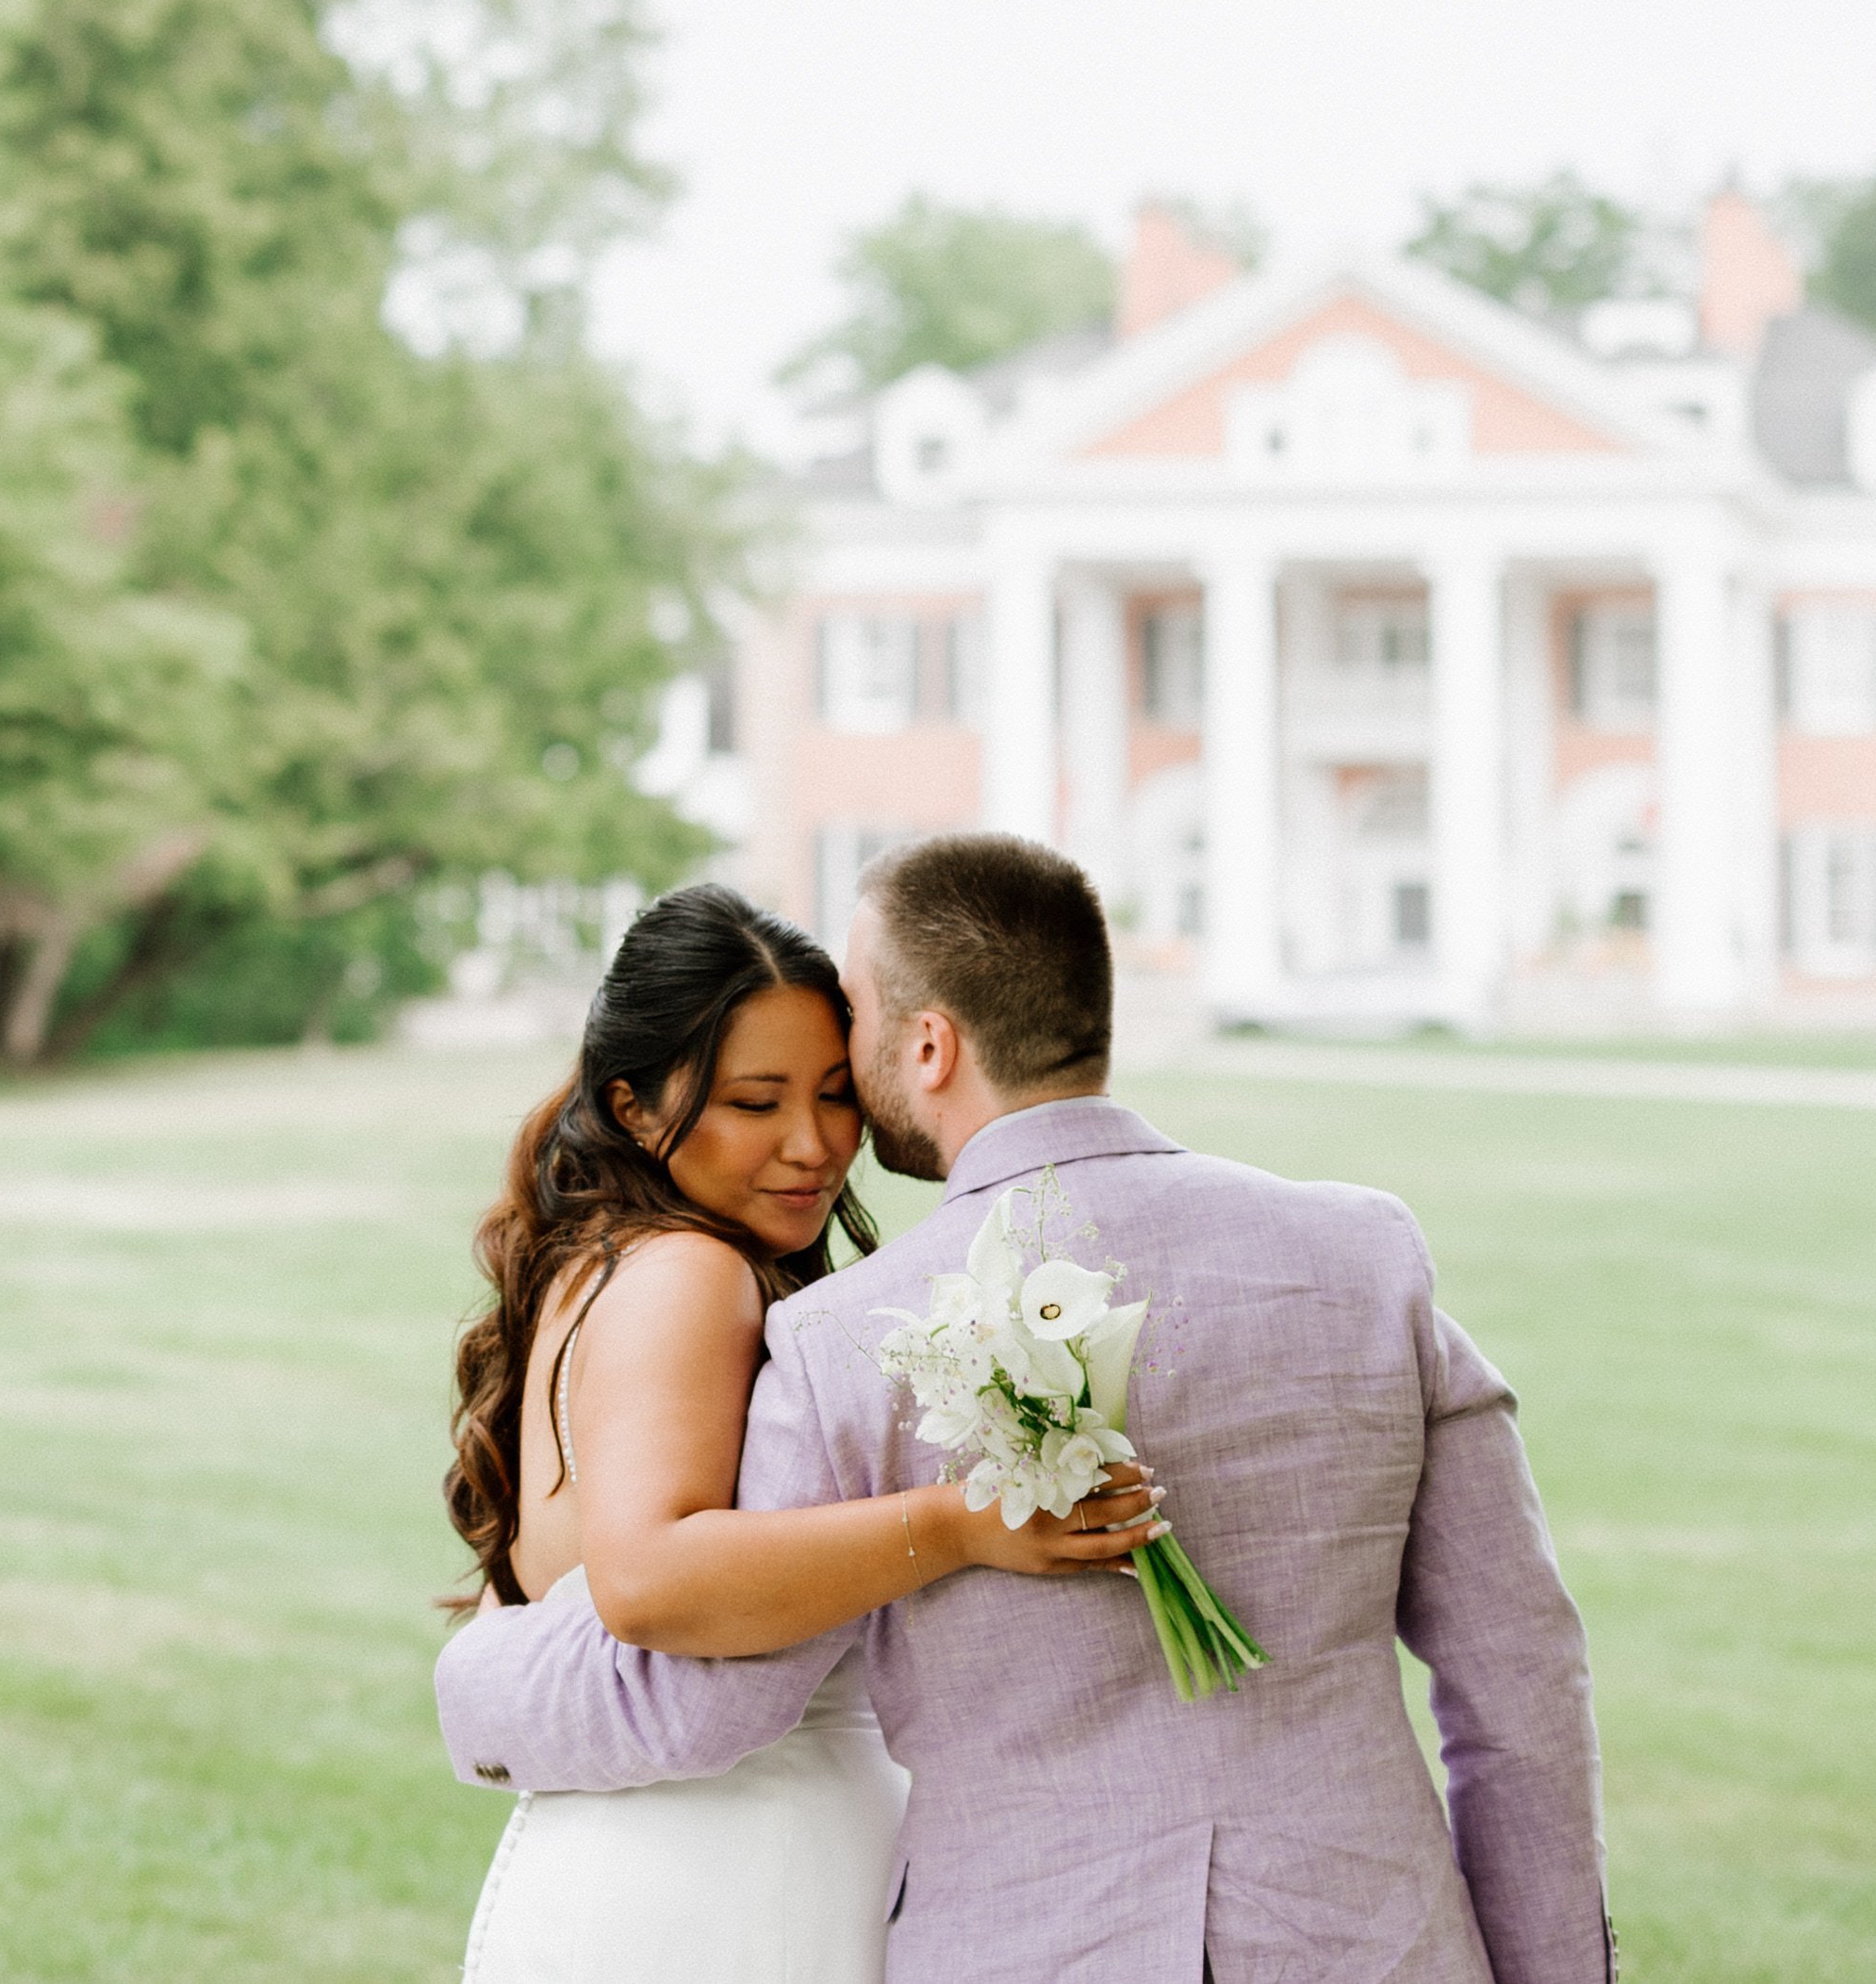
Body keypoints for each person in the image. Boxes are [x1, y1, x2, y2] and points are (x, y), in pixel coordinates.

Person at [437, 836, 1610, 1984]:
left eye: (849, 1030)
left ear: (928, 1043)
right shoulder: (1364, 1255)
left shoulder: (848, 1337)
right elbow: (1520, 1676)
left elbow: (696, 1701)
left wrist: (477, 1679)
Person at [445, 881, 1167, 1984]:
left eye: (834, 1094)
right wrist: (960, 1524)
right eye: (753, 1102)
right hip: (731, 1883)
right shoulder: (690, 1273)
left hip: (636, 1861)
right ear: (633, 1107)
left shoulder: (602, 1262)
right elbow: (645, 1577)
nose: (812, 1145)